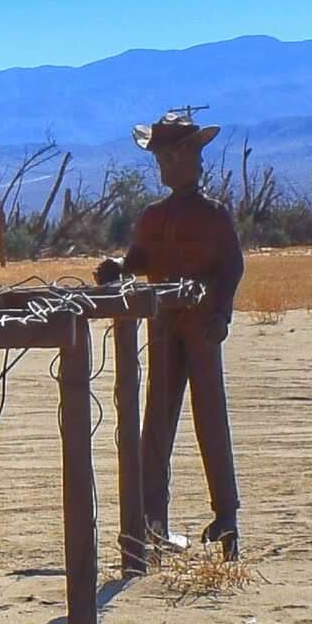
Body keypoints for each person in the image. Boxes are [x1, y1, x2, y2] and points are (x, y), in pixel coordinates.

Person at [126, 107, 244, 551]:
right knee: (157, 417)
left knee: (210, 416)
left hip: (199, 326)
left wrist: (221, 314)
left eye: (168, 160)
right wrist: (119, 267)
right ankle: (152, 517)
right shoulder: (153, 216)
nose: (164, 168)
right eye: (160, 161)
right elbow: (139, 258)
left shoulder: (214, 215)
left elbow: (231, 266)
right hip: (163, 327)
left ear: (188, 160)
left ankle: (226, 514)